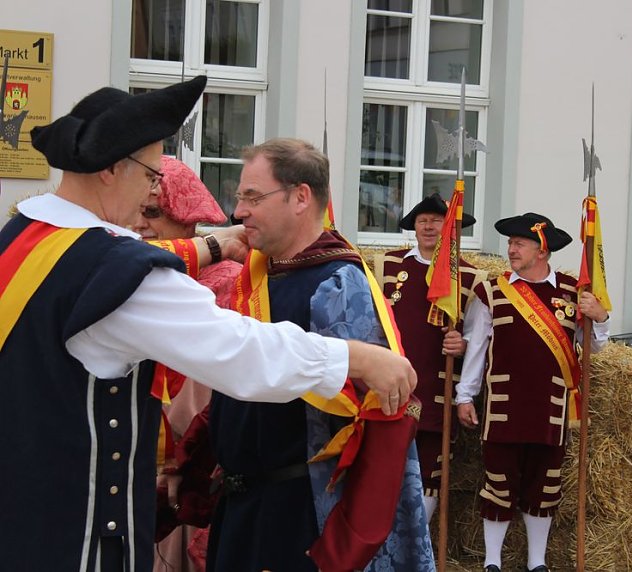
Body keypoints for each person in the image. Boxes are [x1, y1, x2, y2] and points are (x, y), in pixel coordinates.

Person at [0, 77, 415, 572]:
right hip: (76, 536)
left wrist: (214, 244)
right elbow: (240, 353)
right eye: (153, 176)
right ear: (113, 169)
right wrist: (357, 356)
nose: (155, 191)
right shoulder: (114, 270)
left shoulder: (24, 239)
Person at [200, 138, 434, 571]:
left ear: (301, 198)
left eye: (253, 197)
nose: (239, 212)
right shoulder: (257, 277)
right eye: (239, 198)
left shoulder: (337, 283)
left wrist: (345, 544)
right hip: (241, 511)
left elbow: (376, 420)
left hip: (300, 519)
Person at [456, 212, 610, 572]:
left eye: (519, 243)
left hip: (551, 408)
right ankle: (492, 562)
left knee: (545, 485)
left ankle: (536, 563)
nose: (511, 249)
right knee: (498, 483)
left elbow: (595, 349)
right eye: (510, 243)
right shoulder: (491, 291)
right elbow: (476, 347)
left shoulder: (574, 291)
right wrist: (465, 394)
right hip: (503, 408)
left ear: (542, 250)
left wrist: (600, 318)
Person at [130, 156, 241, 572]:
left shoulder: (227, 281)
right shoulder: (132, 277)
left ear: (187, 217)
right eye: (137, 211)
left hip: (190, 462)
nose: (141, 224)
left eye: (154, 213)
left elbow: (212, 386)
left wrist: (176, 454)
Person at [375, 192, 486, 521]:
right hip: (390, 388)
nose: (429, 227)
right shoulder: (388, 266)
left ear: (451, 229)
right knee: (385, 468)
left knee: (429, 473)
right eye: (423, 221)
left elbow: (478, 340)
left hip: (438, 391)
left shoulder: (470, 278)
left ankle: (417, 547)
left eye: (437, 221)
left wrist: (462, 347)